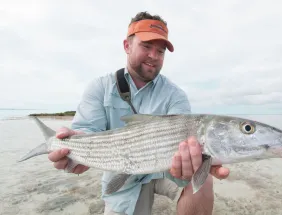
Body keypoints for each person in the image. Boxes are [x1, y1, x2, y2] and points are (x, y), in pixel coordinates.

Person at [48, 11, 230, 215]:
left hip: (167, 171)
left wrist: (200, 163)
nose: (154, 56)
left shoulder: (175, 95)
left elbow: (185, 140)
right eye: (146, 46)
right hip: (122, 175)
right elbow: (86, 131)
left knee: (203, 180)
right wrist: (74, 151)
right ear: (127, 46)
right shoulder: (100, 87)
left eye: (160, 51)